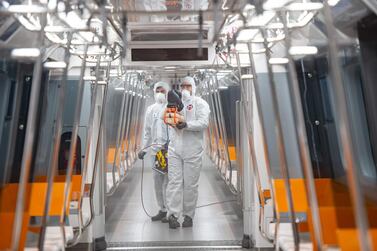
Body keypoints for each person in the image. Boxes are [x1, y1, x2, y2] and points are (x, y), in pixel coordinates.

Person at [165, 76, 210, 229]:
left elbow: (204, 122)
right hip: (175, 149)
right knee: (174, 182)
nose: (185, 89)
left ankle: (189, 216)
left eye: (188, 86)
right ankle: (172, 215)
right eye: (183, 86)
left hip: (193, 150)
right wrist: (171, 116)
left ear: (193, 87)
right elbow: (167, 121)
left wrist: (187, 124)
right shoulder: (174, 103)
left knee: (190, 185)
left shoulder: (200, 103)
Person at [138, 81, 170, 222]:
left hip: (169, 151)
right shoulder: (150, 109)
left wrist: (172, 144)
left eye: (162, 90)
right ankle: (162, 209)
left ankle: (171, 211)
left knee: (170, 182)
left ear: (167, 92)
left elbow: (175, 128)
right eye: (157, 90)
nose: (160, 93)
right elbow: (147, 131)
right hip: (156, 152)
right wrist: (143, 149)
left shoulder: (171, 108)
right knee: (157, 181)